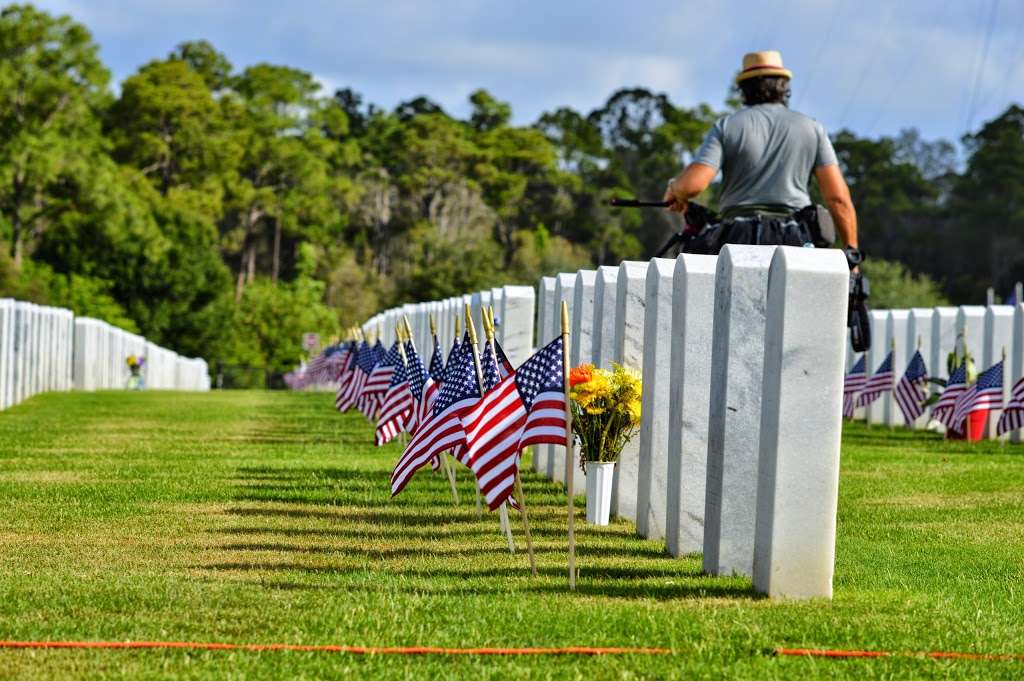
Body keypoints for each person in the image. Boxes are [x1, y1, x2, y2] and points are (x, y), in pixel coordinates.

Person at [663, 50, 861, 266]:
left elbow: (693, 186)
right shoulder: (812, 129)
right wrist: (852, 253)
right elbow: (838, 199)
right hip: (796, 242)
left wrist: (675, 189)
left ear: (744, 89)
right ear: (784, 87)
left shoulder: (727, 126)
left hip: (737, 240)